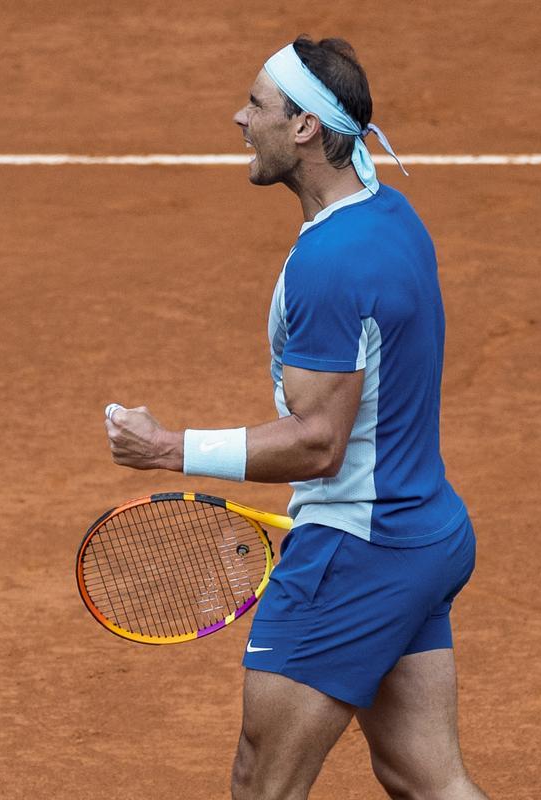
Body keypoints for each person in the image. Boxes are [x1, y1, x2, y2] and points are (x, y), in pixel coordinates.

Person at [104, 36, 489, 800]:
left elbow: (318, 444)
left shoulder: (331, 263)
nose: (239, 118)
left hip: (359, 553)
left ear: (307, 126)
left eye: (258, 105)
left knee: (262, 784)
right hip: (425, 534)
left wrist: (167, 447)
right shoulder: (391, 215)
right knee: (426, 779)